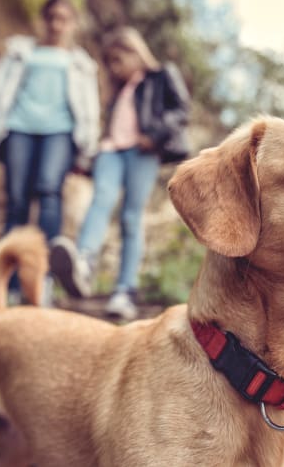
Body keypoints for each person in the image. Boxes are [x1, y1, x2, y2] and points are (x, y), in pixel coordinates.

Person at [50, 26, 190, 320]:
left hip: (142, 152)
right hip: (111, 151)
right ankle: (84, 264)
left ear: (134, 52)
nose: (114, 68)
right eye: (110, 62)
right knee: (101, 199)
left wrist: (154, 135)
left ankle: (124, 290)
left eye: (117, 60)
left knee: (130, 216)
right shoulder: (118, 91)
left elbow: (181, 110)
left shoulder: (161, 75)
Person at [0, 0, 100, 306]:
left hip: (60, 133)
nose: (57, 25)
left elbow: (89, 108)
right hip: (19, 128)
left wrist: (86, 146)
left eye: (64, 18)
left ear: (72, 24)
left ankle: (42, 278)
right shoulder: (20, 53)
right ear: (43, 20)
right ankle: (6, 282)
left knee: (49, 192)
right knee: (17, 200)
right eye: (52, 18)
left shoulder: (80, 63)